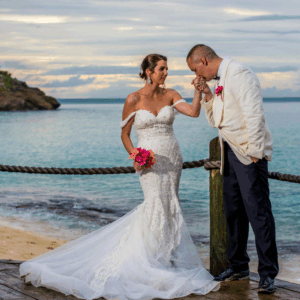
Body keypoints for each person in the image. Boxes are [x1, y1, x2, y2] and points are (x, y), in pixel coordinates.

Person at [19, 53, 220, 300]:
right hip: (149, 161)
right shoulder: (133, 99)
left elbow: (193, 112)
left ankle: (164, 258)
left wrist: (199, 91)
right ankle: (149, 260)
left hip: (172, 158)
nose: (166, 73)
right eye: (161, 69)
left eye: (167, 69)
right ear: (149, 71)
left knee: (169, 205)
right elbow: (125, 134)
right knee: (155, 204)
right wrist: (136, 154)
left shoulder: (171, 94)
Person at [186, 44, 279, 294]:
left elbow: (254, 115)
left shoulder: (240, 73)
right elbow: (217, 119)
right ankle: (238, 265)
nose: (197, 75)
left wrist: (256, 153)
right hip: (229, 152)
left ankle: (268, 273)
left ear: (203, 61)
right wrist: (207, 93)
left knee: (258, 214)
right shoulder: (220, 79)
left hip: (249, 153)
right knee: (233, 212)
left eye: (196, 70)